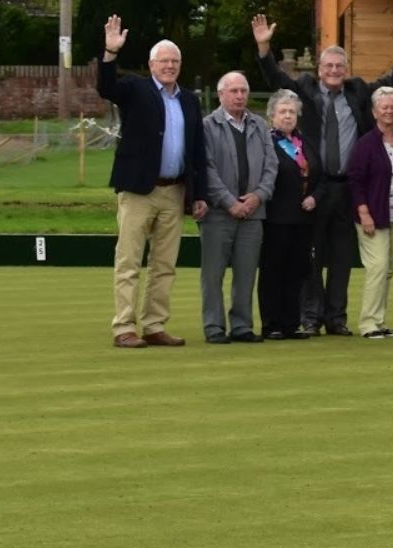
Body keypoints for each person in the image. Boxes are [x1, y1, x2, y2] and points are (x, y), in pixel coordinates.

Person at [250, 13, 393, 336]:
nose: (335, 71)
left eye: (340, 66)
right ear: (320, 70)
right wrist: (264, 48)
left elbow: (390, 81)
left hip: (348, 188)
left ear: (346, 69)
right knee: (311, 257)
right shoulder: (304, 89)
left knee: (341, 257)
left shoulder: (357, 92)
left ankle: (336, 318)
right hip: (314, 187)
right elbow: (275, 81)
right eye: (329, 67)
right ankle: (310, 317)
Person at [99, 17, 207, 349]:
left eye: (175, 61)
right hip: (138, 189)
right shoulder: (134, 88)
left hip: (174, 191)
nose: (170, 66)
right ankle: (124, 328)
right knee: (129, 261)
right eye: (164, 61)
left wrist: (198, 194)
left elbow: (197, 149)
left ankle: (154, 324)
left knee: (164, 265)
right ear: (151, 64)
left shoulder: (189, 99)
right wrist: (110, 52)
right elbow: (106, 88)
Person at [198, 71, 277, 344]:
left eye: (243, 91)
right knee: (213, 274)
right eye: (234, 91)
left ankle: (242, 325)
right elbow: (206, 169)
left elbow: (271, 166)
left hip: (254, 213)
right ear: (221, 95)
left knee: (246, 274)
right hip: (218, 214)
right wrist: (229, 202)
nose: (240, 96)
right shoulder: (207, 126)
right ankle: (214, 326)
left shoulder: (260, 125)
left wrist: (258, 196)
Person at [348, 86, 393, 339]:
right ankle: (368, 324)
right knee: (377, 267)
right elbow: (355, 181)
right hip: (373, 215)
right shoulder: (366, 144)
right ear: (375, 111)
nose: (389, 111)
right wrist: (363, 212)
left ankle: (379, 321)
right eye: (384, 107)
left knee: (388, 269)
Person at [260, 90, 328, 341]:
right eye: (282, 112)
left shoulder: (305, 142)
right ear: (272, 116)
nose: (287, 116)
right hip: (276, 218)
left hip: (304, 218)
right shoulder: (267, 142)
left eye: (291, 112)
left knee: (297, 271)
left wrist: (315, 197)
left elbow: (321, 178)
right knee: (273, 271)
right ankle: (272, 324)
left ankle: (291, 323)